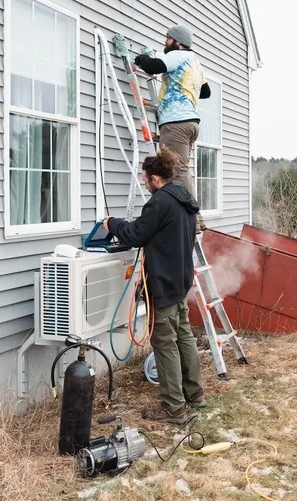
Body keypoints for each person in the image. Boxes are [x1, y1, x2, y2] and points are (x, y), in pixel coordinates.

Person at [103, 148, 206, 424]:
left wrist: (112, 224)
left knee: (164, 342)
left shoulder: (160, 203)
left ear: (156, 179)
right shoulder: (184, 199)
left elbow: (137, 234)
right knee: (183, 335)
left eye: (145, 179)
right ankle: (194, 394)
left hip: (163, 284)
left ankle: (174, 407)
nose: (144, 183)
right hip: (180, 280)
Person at [133, 24, 211, 232]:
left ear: (178, 42)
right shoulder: (195, 63)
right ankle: (196, 217)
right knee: (182, 170)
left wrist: (140, 59)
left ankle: (192, 219)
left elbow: (153, 66)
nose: (165, 42)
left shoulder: (177, 55)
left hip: (176, 122)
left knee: (176, 171)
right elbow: (206, 92)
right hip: (191, 122)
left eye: (167, 38)